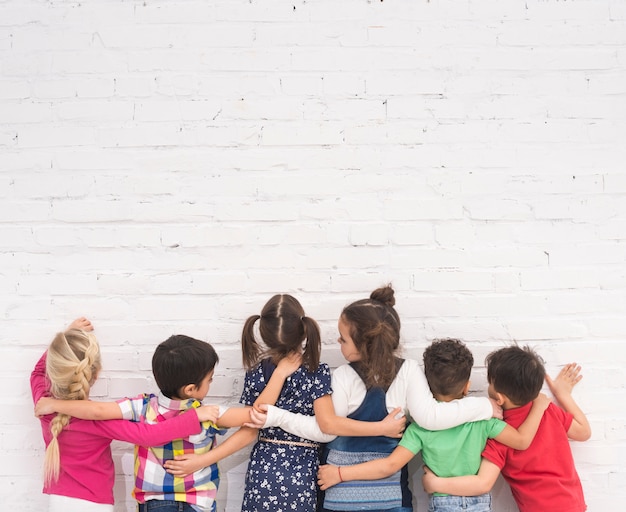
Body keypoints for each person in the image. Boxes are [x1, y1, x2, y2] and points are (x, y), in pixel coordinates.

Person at [252, 285, 503, 512]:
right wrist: (482, 405)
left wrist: (278, 416)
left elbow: (323, 431)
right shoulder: (401, 372)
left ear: (365, 344)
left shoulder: (348, 376)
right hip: (385, 499)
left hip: (348, 498)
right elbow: (432, 417)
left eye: (343, 338)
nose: (338, 342)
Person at [36, 330, 292, 512]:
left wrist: (68, 344)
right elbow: (257, 415)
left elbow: (96, 409)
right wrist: (279, 374)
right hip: (196, 502)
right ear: (192, 389)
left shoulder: (140, 407)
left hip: (153, 503)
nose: (212, 383)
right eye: (210, 379)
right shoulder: (208, 413)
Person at [317, 338, 550, 512]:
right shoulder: (483, 419)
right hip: (479, 503)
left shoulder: (420, 429)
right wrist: (539, 404)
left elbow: (388, 466)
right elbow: (521, 441)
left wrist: (340, 473)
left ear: (426, 385)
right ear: (467, 386)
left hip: (443, 501)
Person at [31, 317, 219, 512]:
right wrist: (194, 416)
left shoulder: (44, 406)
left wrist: (67, 341)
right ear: (95, 375)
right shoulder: (96, 421)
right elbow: (149, 435)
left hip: (57, 500)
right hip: (95, 504)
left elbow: (37, 373)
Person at [422, 345, 591, 512]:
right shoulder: (547, 409)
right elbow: (583, 432)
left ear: (500, 399)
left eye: (490, 383)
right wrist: (563, 395)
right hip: (573, 504)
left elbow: (483, 483)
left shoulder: (501, 433)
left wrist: (435, 483)